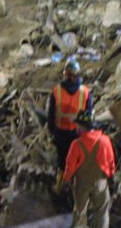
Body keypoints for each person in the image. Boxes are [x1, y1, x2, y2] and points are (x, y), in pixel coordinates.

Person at [63, 109, 116, 228]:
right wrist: (111, 176)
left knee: (80, 211)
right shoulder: (105, 140)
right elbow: (111, 161)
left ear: (83, 126)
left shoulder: (76, 144)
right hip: (100, 182)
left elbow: (70, 165)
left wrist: (66, 179)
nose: (76, 127)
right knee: (101, 211)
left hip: (81, 183)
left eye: (78, 125)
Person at [48, 57, 93, 194]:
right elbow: (88, 116)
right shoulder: (85, 92)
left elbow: (51, 115)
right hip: (78, 134)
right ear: (78, 74)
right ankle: (76, 188)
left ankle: (60, 186)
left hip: (61, 133)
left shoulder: (56, 91)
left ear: (65, 74)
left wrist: (52, 132)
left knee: (62, 160)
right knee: (78, 161)